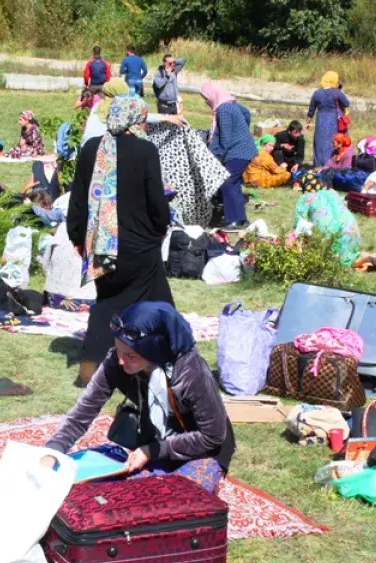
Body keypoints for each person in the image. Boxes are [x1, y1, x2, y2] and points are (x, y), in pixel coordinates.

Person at [43, 302, 236, 494]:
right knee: (100, 492)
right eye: (118, 350)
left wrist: (152, 450)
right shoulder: (117, 361)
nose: (120, 360)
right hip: (151, 439)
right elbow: (84, 411)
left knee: (172, 503)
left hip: (201, 449)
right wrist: (53, 450)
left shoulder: (191, 372)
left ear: (155, 351)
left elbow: (213, 435)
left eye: (130, 356)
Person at [67, 95, 174, 384]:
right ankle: (166, 360)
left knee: (108, 301)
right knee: (156, 302)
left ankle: (94, 367)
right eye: (142, 119)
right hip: (139, 245)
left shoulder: (92, 148)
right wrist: (161, 227)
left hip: (102, 244)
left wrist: (77, 237)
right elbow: (156, 200)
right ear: (134, 120)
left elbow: (77, 198)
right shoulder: (145, 150)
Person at [202, 82, 257, 230]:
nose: (206, 101)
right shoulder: (230, 103)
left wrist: (218, 156)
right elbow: (246, 113)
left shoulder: (223, 109)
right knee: (233, 184)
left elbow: (225, 137)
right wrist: (242, 129)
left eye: (206, 98)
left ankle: (233, 220)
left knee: (227, 182)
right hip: (243, 149)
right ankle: (241, 219)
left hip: (238, 151)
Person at [293, 172, 361, 267]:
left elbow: (299, 223)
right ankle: (355, 259)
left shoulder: (305, 198)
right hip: (352, 232)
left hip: (328, 235)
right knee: (347, 255)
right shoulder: (333, 192)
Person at [305, 71, 349, 167]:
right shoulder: (337, 92)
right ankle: (333, 163)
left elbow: (311, 109)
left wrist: (308, 122)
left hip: (321, 119)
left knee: (320, 142)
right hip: (333, 119)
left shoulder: (317, 93)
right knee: (333, 141)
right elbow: (346, 103)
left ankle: (319, 165)